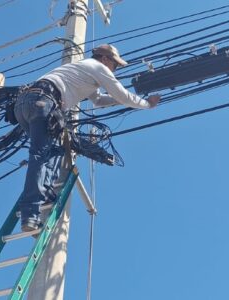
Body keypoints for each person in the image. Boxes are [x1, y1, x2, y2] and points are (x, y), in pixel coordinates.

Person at [14, 44, 160, 232]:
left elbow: (98, 101)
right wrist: (146, 104)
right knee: (41, 155)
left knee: (54, 149)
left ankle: (45, 193)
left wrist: (121, 99)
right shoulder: (97, 67)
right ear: (106, 60)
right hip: (44, 102)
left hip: (25, 105)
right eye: (115, 65)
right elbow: (122, 95)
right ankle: (30, 214)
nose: (114, 70)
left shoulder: (84, 70)